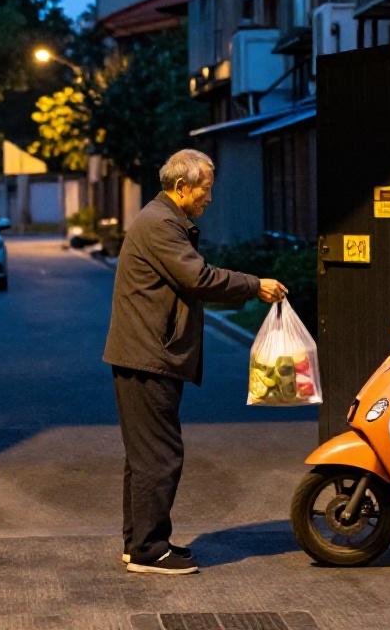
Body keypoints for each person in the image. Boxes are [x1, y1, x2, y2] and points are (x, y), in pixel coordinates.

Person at [103, 149, 288, 575]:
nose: (209, 198)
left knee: (144, 456)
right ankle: (149, 549)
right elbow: (198, 277)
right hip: (150, 355)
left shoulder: (161, 219)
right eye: (205, 191)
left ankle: (141, 542)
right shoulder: (162, 224)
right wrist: (254, 285)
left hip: (145, 352)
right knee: (159, 456)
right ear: (182, 187)